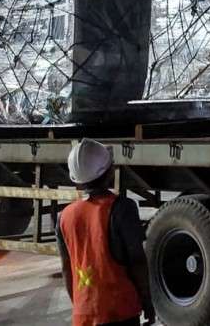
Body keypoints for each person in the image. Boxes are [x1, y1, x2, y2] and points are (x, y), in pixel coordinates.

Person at [58, 139, 155, 326]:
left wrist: (81, 307)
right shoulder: (122, 208)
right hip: (120, 312)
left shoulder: (64, 217)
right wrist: (147, 301)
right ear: (109, 172)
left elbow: (66, 269)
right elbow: (137, 261)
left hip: (83, 316)